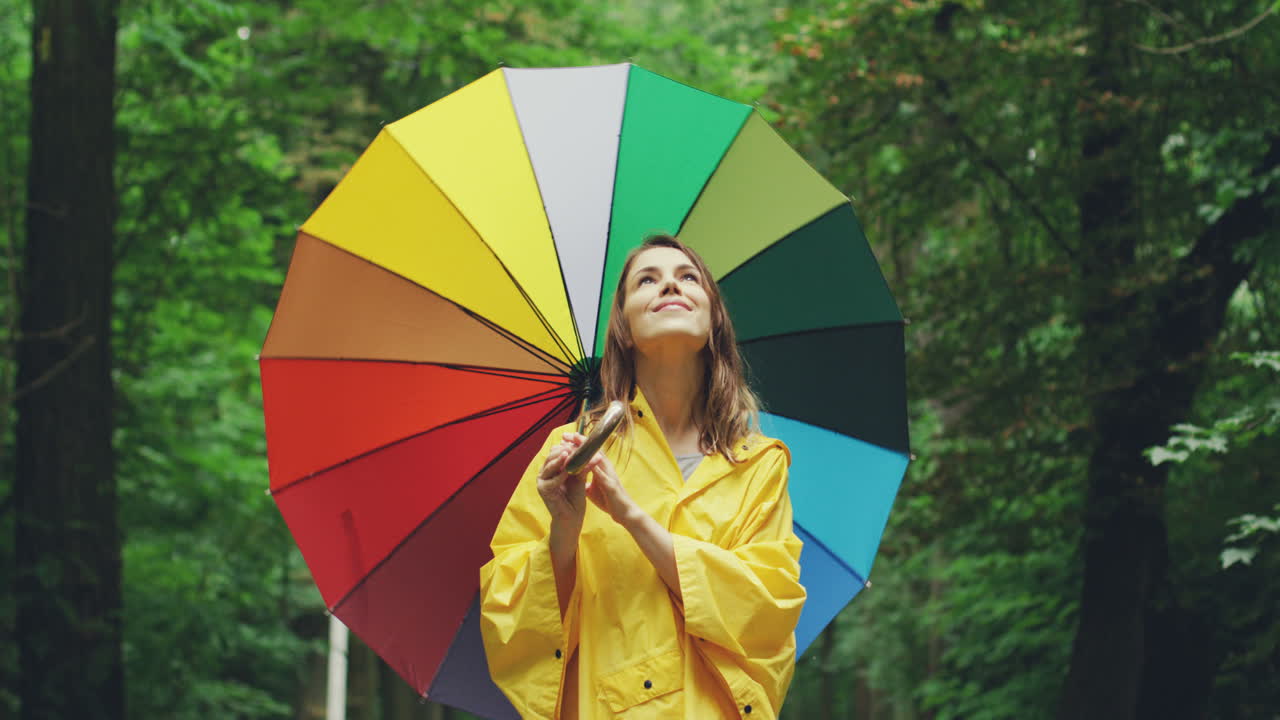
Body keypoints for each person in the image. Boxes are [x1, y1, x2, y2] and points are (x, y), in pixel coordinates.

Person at [479, 235, 806, 719]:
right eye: (646, 280)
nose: (669, 285)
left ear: (714, 316)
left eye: (688, 277)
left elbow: (767, 610)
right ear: (624, 328)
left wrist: (631, 517)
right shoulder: (570, 457)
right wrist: (563, 534)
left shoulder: (759, 465)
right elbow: (510, 622)